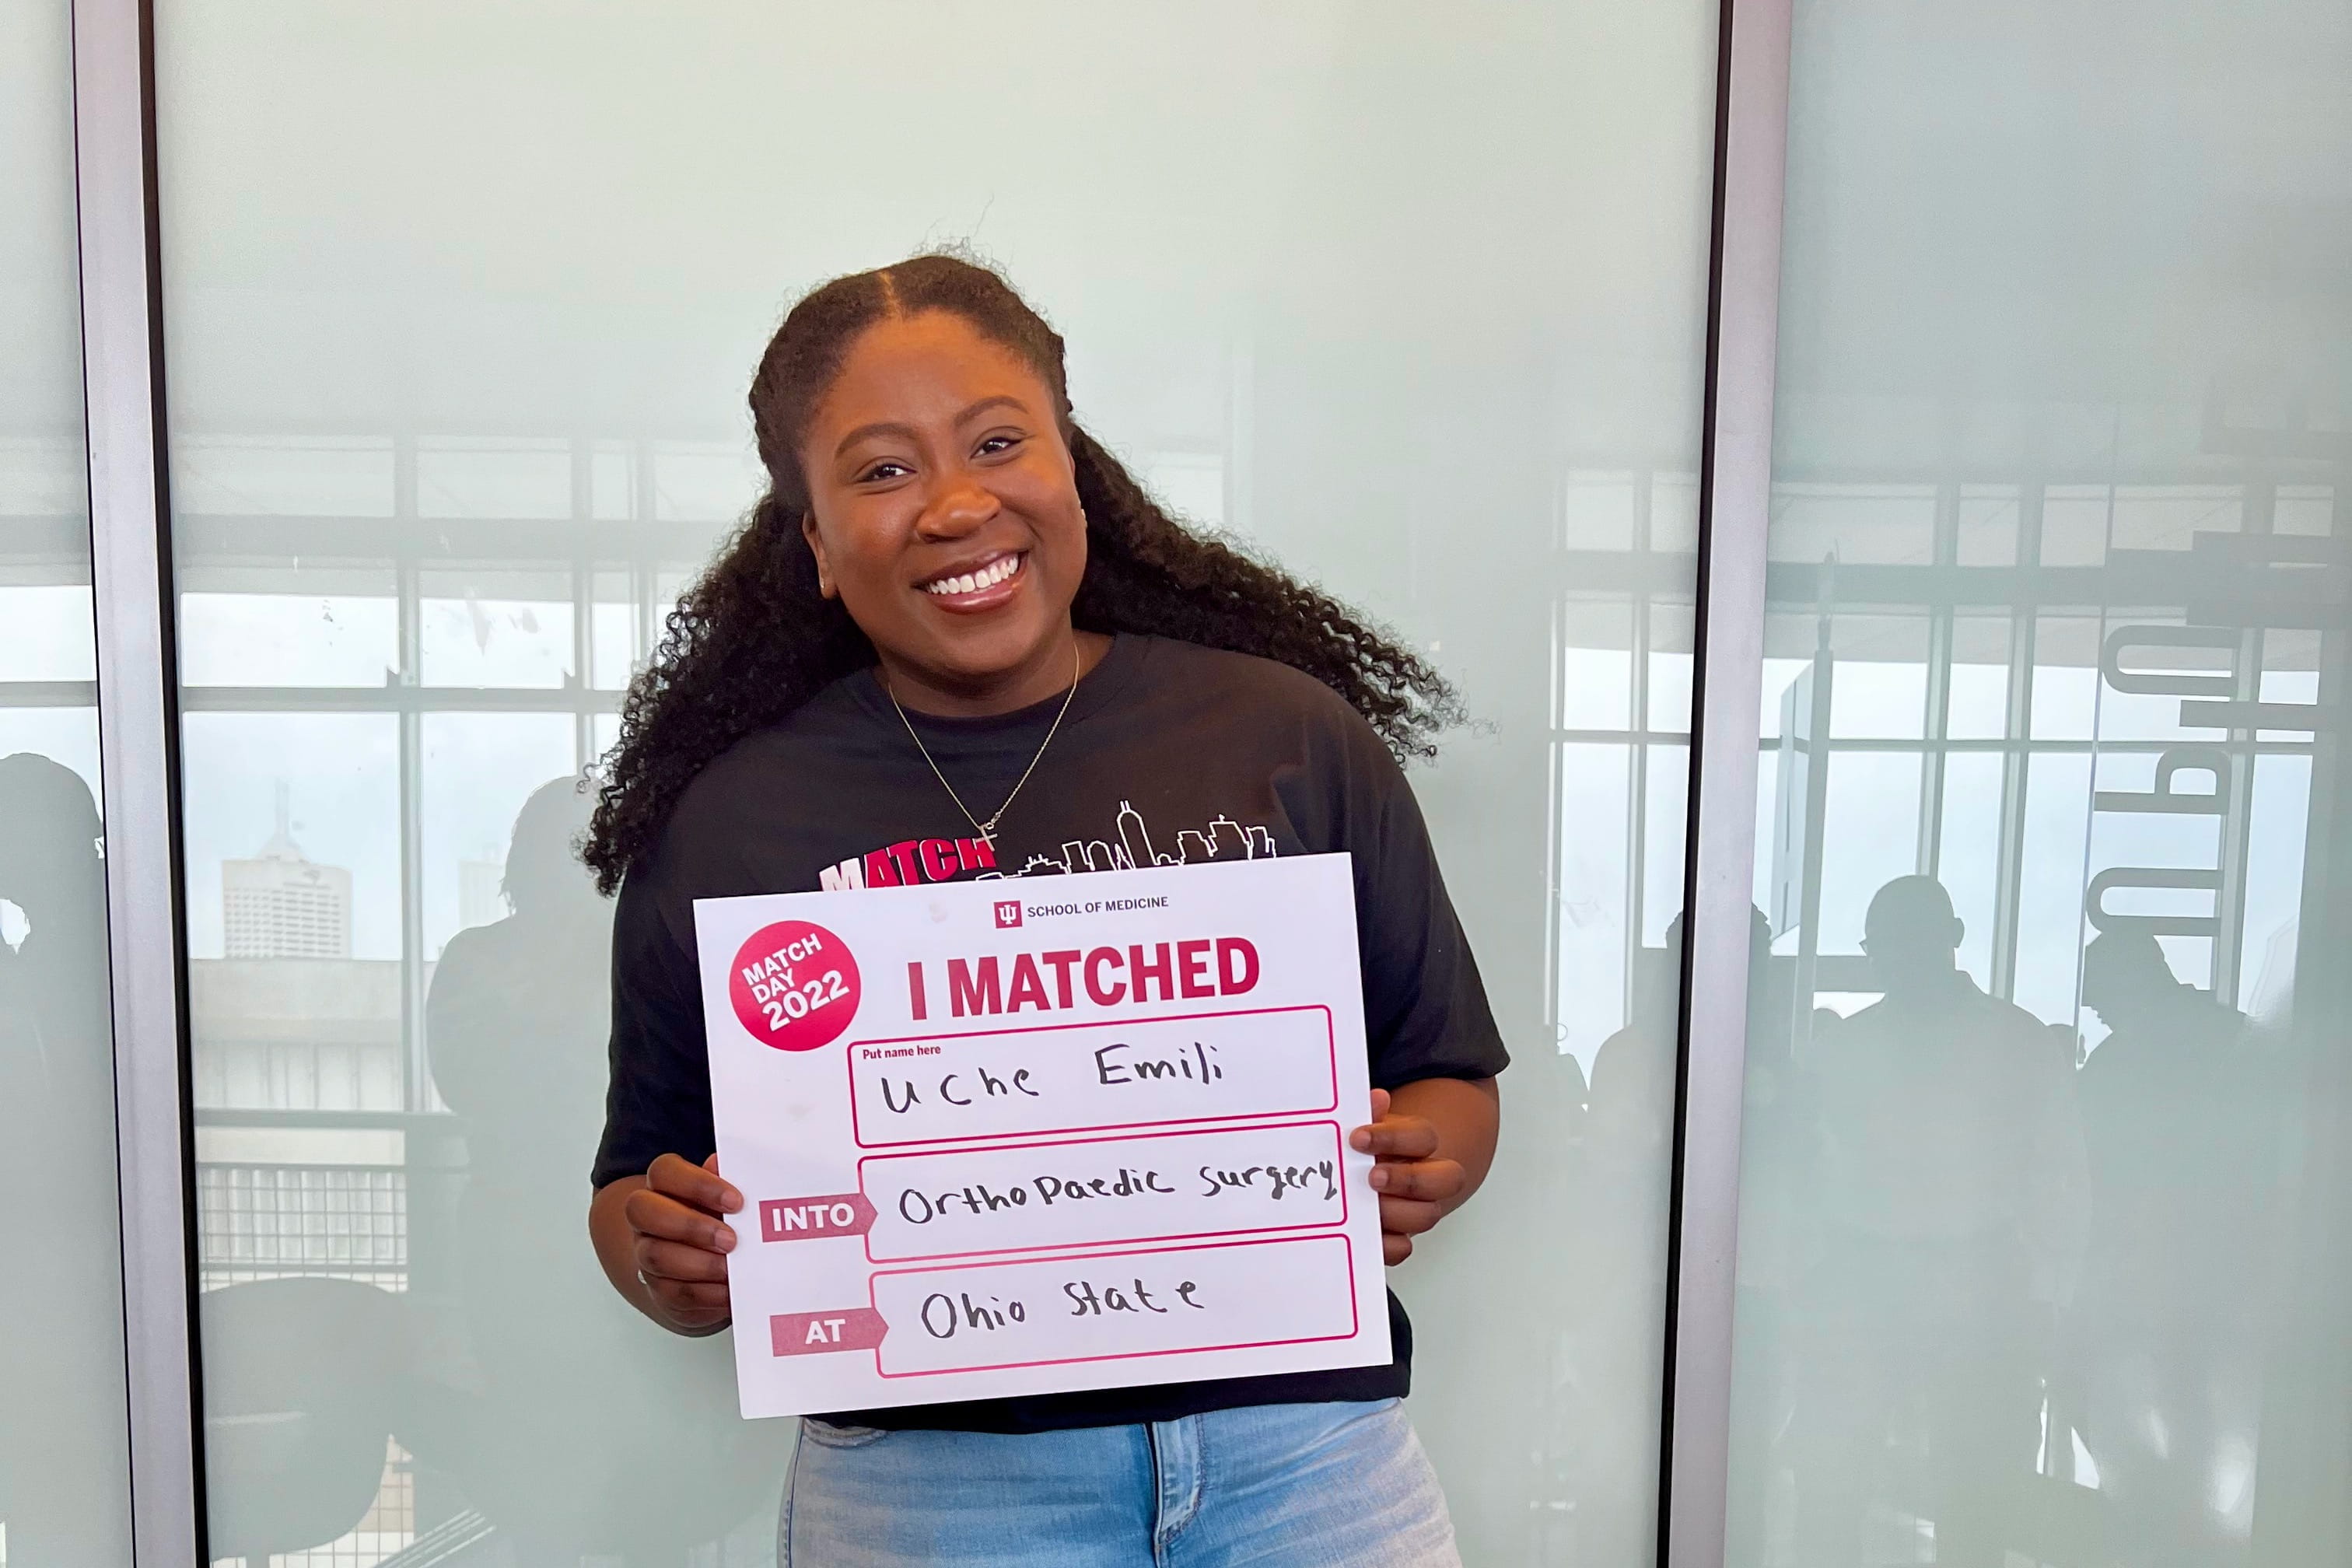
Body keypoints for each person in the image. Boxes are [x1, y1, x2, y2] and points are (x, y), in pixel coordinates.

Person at [579, 254, 1507, 1566]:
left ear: (1072, 465)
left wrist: (1422, 1157)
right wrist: (665, 1255)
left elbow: (1445, 1073)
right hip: (935, 1496)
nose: (956, 503)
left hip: (1305, 1466)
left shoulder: (1289, 736)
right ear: (817, 548)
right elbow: (640, 1186)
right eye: (882, 470)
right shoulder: (731, 820)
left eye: (997, 441)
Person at [1787, 876, 2088, 1568]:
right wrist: (2049, 1292)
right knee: (1902, 1485)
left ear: (1949, 939)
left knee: (1927, 1487)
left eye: (1899, 940)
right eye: (1888, 943)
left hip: (1934, 1282)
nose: (1895, 956)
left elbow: (2058, 1178)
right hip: (1929, 1281)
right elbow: (2060, 1178)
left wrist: (2047, 1293)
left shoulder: (1846, 1050)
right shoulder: (2015, 1040)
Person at [2070, 930, 2277, 1566]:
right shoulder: (2239, 1039)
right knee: (2199, 1422)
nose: (2092, 1006)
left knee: (2147, 1418)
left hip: (2143, 1277)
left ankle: (2159, 1531)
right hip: (2229, 1275)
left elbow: (2090, 1178)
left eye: (2099, 990)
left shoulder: (2111, 1065)